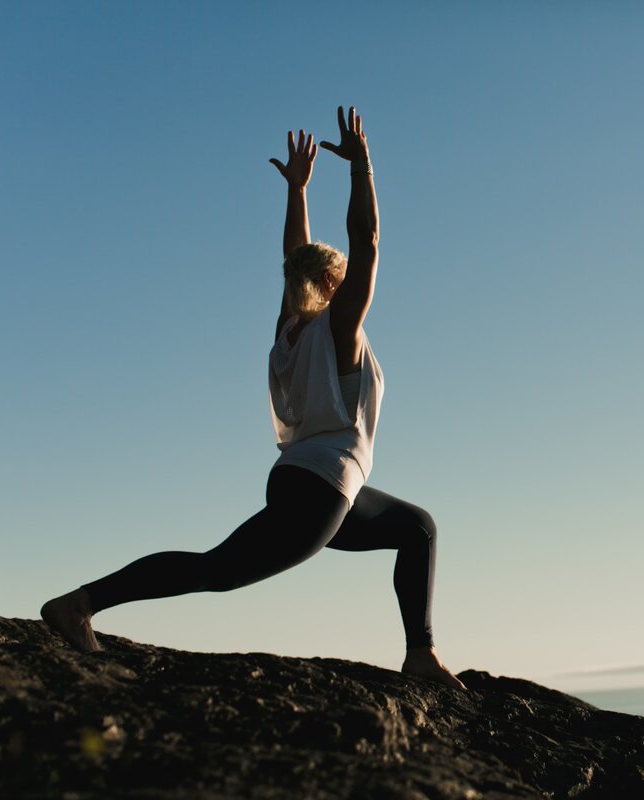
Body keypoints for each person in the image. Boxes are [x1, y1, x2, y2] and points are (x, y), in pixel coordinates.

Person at [41, 105, 466, 690]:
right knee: (215, 570)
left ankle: (421, 652)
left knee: (416, 528)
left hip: (311, 482)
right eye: (344, 280)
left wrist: (297, 191)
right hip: (319, 487)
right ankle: (81, 603)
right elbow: (365, 240)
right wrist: (361, 167)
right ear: (337, 287)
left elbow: (296, 257)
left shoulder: (289, 329)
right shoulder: (338, 331)